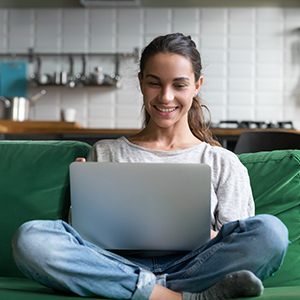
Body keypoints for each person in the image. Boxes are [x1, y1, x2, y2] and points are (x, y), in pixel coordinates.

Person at [12, 33, 289, 300]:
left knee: (271, 232)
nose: (166, 97)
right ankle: (178, 297)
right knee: (32, 238)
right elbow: (84, 243)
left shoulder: (222, 161)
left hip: (192, 268)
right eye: (155, 83)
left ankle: (138, 291)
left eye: (179, 85)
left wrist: (202, 233)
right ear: (141, 82)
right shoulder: (107, 152)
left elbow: (236, 241)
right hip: (116, 264)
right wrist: (83, 199)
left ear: (197, 85)